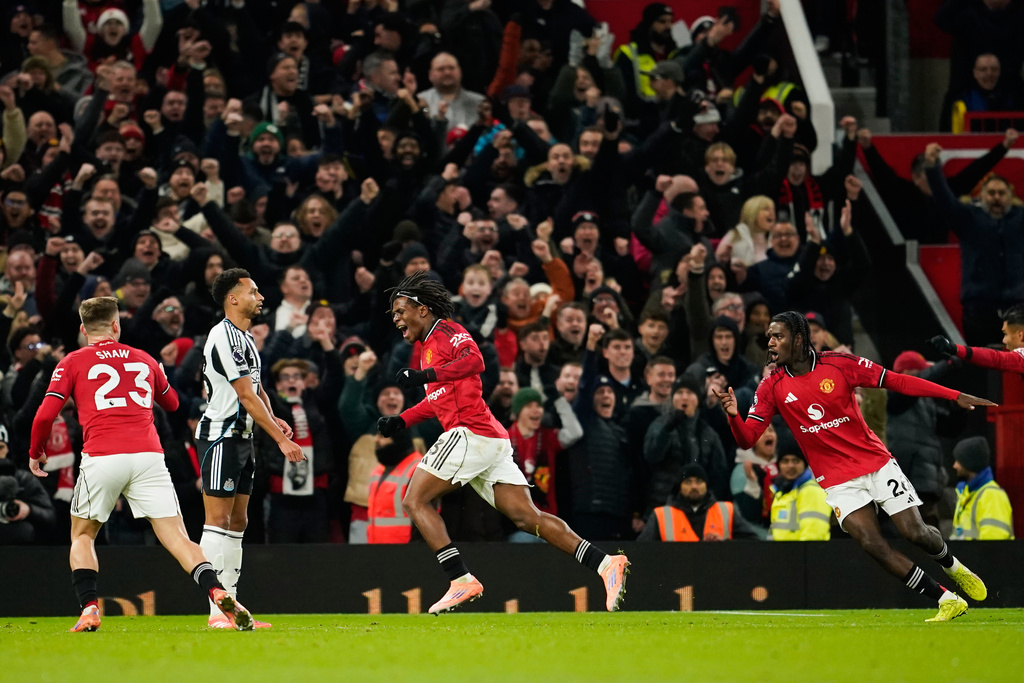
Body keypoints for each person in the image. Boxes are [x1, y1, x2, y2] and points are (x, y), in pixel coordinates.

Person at [716, 311, 996, 622]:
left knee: (914, 532)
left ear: (797, 339)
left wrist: (953, 395)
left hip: (875, 463)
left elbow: (897, 381)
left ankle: (953, 566)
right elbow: (747, 439)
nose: (770, 342)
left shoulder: (840, 364)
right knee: (871, 543)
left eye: (777, 336)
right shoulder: (771, 386)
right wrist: (732, 416)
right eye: (769, 336)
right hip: (837, 480)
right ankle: (945, 599)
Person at [377, 271, 629, 614]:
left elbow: (475, 362)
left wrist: (426, 375)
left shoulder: (448, 332)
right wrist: (403, 419)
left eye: (400, 310)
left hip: (469, 433)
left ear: (422, 310)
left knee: (414, 500)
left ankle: (460, 579)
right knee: (527, 517)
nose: (396, 318)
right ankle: (605, 564)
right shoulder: (426, 351)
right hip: (490, 438)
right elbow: (438, 398)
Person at [27, 297, 250, 632]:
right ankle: (217, 590)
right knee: (176, 537)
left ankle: (90, 608)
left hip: (102, 456)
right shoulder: (143, 358)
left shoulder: (72, 361)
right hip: (148, 456)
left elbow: (45, 414)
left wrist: (36, 451)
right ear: (117, 325)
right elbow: (173, 403)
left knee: (83, 534)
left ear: (83, 329)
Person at [196, 269, 304, 629]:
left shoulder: (245, 339)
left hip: (243, 436)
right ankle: (217, 611)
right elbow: (242, 393)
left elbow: (256, 390)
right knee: (218, 520)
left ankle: (234, 606)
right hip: (221, 435)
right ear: (233, 298)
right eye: (253, 291)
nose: (260, 298)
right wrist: (281, 439)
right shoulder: (222, 336)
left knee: (239, 521)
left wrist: (275, 419)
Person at [637, 462, 762, 541]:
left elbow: (752, 542)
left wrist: (725, 544)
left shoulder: (726, 511)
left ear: (706, 485)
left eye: (699, 481)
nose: (694, 487)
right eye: (688, 482)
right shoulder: (661, 516)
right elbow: (643, 549)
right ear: (679, 487)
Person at [950, 437, 1014, 541]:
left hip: (981, 556)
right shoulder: (966, 494)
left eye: (959, 461)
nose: (954, 465)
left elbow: (993, 547)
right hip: (967, 556)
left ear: (969, 463)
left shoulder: (992, 496)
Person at [769, 439, 832, 541]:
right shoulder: (782, 492)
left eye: (796, 461)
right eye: (785, 461)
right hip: (784, 554)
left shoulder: (811, 491)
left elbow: (814, 536)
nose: (790, 466)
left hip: (803, 555)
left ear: (804, 464)